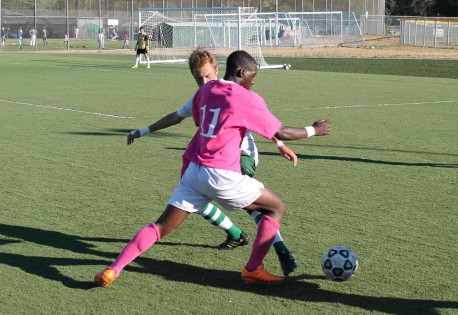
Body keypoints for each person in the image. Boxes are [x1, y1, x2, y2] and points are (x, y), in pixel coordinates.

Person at [94, 50, 331, 287]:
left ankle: (113, 270)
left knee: (159, 227)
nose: (254, 80)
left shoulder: (205, 90)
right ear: (241, 72)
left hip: (194, 172)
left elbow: (201, 121)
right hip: (222, 174)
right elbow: (282, 131)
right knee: (276, 207)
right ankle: (253, 269)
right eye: (253, 75)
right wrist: (314, 130)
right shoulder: (246, 97)